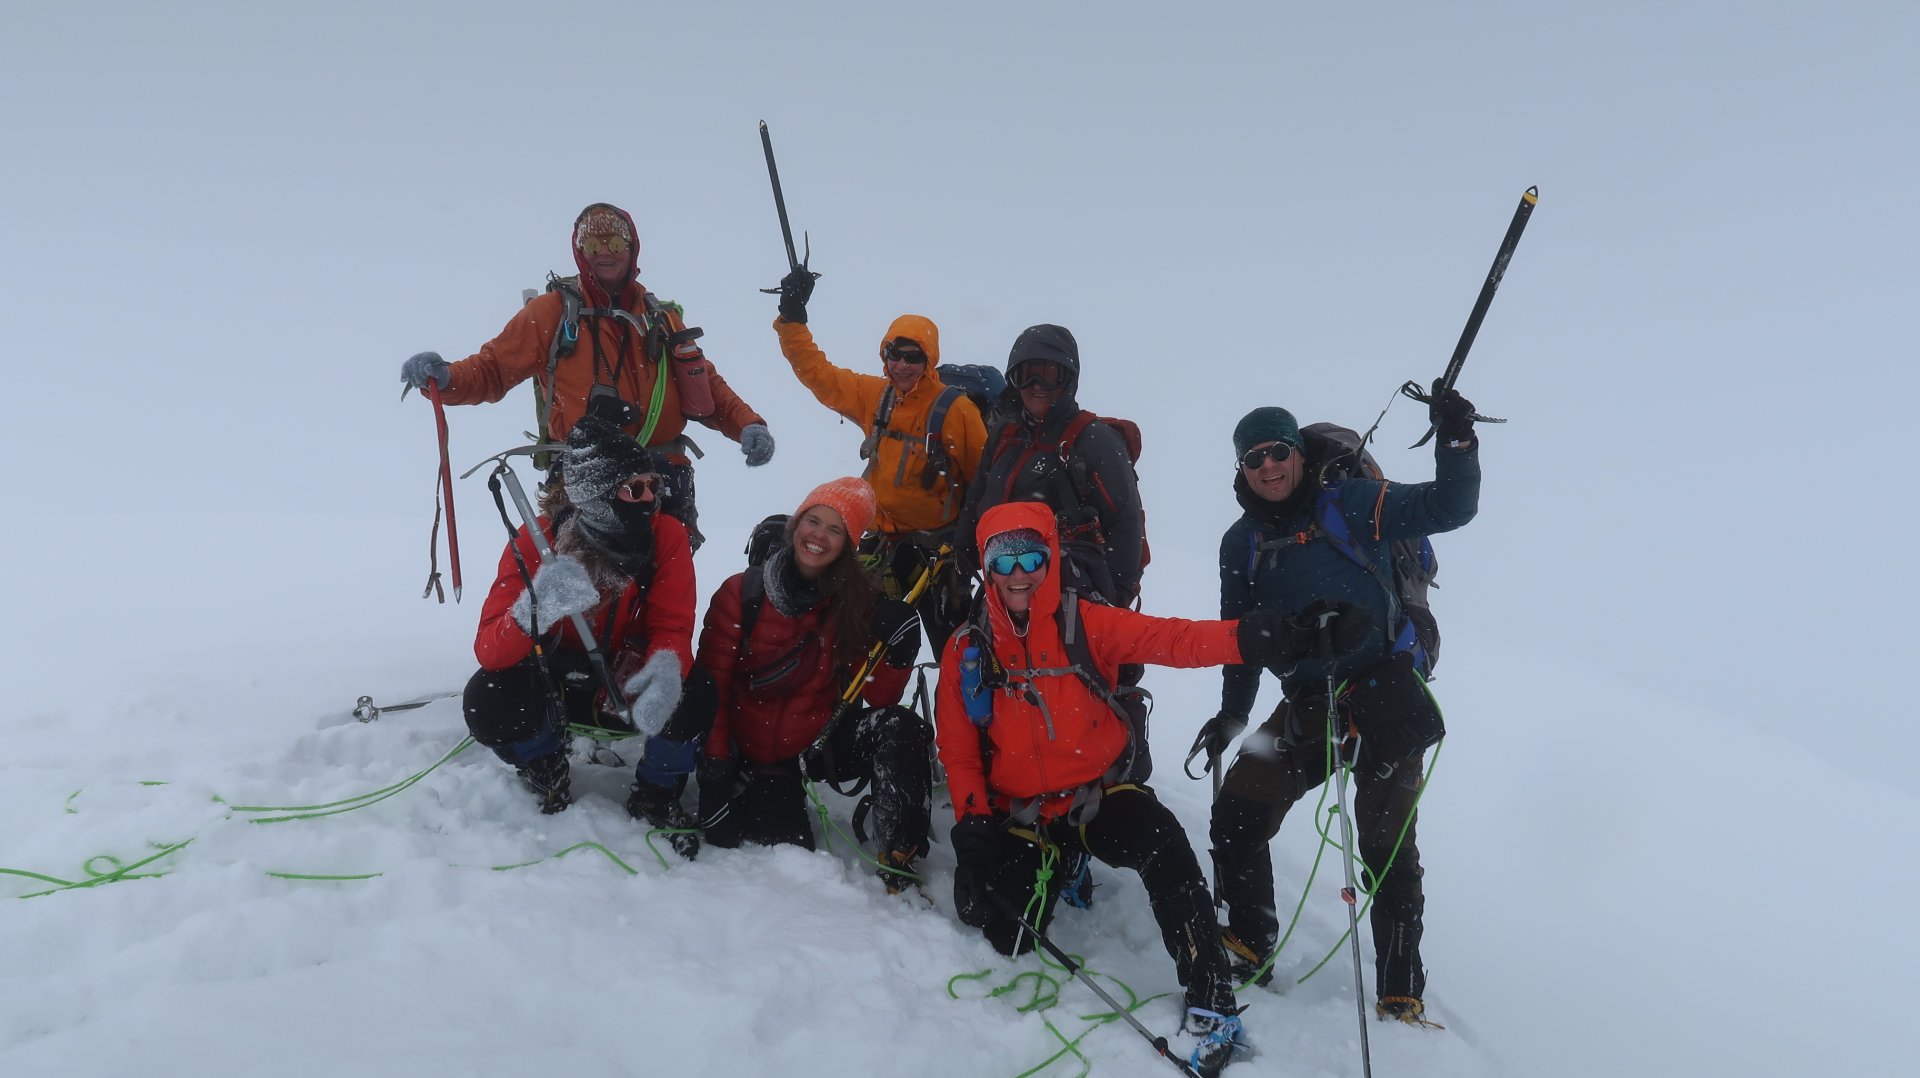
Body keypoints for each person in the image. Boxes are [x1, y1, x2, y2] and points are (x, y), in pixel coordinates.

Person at [935, 502, 1367, 1076]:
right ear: (986, 566)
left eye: (1032, 555)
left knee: (1163, 840)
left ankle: (1212, 1002)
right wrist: (971, 828)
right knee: (1001, 929)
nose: (1019, 573)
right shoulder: (968, 648)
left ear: (1051, 556)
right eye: (1003, 558)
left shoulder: (1085, 622)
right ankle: (1061, 862)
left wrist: (1271, 636)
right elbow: (960, 750)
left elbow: (1175, 641)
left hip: (1098, 797)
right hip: (1024, 813)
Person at [1190, 396, 1480, 1026]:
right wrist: (1233, 717)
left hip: (1385, 700)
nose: (1268, 466)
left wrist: (1456, 443)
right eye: (1253, 458)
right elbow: (1239, 641)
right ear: (1240, 469)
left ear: (1298, 452)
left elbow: (1451, 506)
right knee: (1238, 811)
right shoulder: (1240, 544)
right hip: (1306, 707)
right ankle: (1249, 940)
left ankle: (1400, 993)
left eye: (1278, 451)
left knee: (1386, 849)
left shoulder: (1352, 503)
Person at [400, 202, 774, 548]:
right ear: (580, 253)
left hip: (662, 475)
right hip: (585, 475)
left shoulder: (660, 317)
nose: (606, 252)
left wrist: (746, 425)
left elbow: (703, 383)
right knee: (586, 594)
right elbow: (493, 368)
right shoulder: (552, 313)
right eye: (593, 245)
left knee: (665, 586)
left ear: (632, 248)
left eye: (615, 241)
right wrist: (447, 377)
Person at [462, 418, 706, 856]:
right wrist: (536, 608)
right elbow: (490, 650)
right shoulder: (539, 540)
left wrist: (665, 668)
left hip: (621, 683)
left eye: (653, 486)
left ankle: (657, 791)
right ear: (596, 495)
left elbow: (672, 625)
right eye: (635, 490)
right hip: (551, 683)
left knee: (695, 690)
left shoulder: (666, 536)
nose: (650, 500)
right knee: (489, 696)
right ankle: (544, 760)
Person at [689, 478, 933, 893]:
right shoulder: (741, 592)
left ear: (848, 544)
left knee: (899, 726)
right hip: (746, 751)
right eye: (813, 521)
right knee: (764, 844)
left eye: (835, 529)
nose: (819, 535)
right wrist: (714, 779)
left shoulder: (855, 603)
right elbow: (711, 688)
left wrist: (899, 653)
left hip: (815, 746)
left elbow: (875, 695)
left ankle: (899, 854)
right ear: (796, 524)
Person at [771, 268, 986, 650]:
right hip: (882, 542)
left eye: (912, 357)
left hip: (940, 554)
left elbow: (984, 482)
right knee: (853, 629)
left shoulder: (957, 411)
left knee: (955, 647)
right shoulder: (876, 395)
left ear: (929, 359)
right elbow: (819, 374)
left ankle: (957, 700)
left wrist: (973, 546)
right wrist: (792, 320)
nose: (901, 365)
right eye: (893, 354)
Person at [951, 324, 1142, 609]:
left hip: (1070, 600)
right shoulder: (1005, 434)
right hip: (1003, 589)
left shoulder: (1094, 441)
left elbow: (1126, 525)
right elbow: (978, 495)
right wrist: (960, 556)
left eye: (1049, 375)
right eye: (1025, 375)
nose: (1036, 386)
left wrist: (1114, 601)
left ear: (1068, 380)